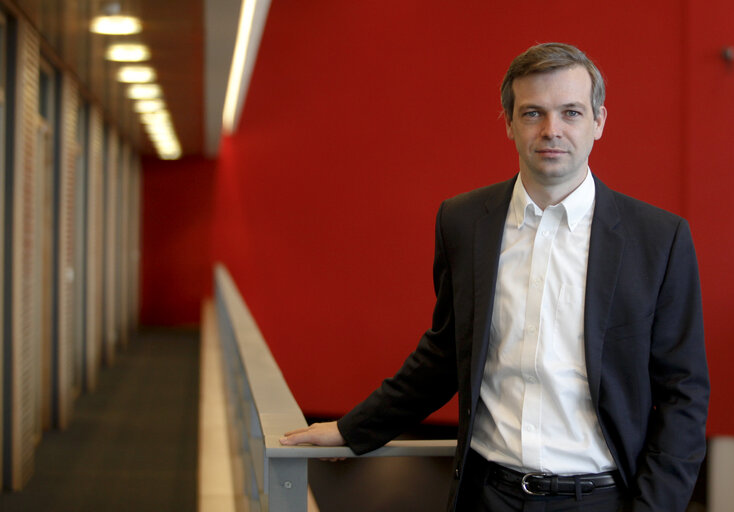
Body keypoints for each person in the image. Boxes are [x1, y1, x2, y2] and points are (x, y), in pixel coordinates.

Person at [280, 42, 709, 512]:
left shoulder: (658, 239)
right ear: (508, 123)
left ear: (599, 121)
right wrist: (352, 430)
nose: (552, 130)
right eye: (532, 113)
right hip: (487, 496)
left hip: (602, 500)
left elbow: (682, 395)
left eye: (570, 112)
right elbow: (445, 352)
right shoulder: (463, 223)